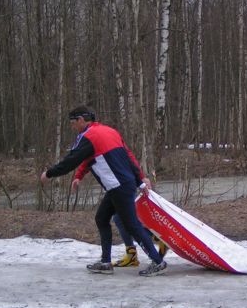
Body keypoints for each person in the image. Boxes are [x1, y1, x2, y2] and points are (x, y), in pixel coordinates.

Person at [41, 106, 167, 276]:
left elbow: (71, 160)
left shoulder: (88, 136)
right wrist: (140, 179)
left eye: (72, 123)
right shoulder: (108, 131)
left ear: (81, 120)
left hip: (119, 187)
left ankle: (158, 261)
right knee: (101, 218)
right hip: (121, 185)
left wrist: (49, 173)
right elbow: (126, 156)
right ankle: (106, 262)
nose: (72, 127)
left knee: (131, 224)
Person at [72, 160, 168, 267]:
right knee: (120, 219)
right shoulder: (93, 147)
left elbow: (127, 156)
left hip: (124, 182)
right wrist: (78, 176)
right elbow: (88, 159)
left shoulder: (108, 144)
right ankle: (140, 249)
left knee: (125, 221)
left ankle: (156, 242)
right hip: (119, 183)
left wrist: (141, 177)